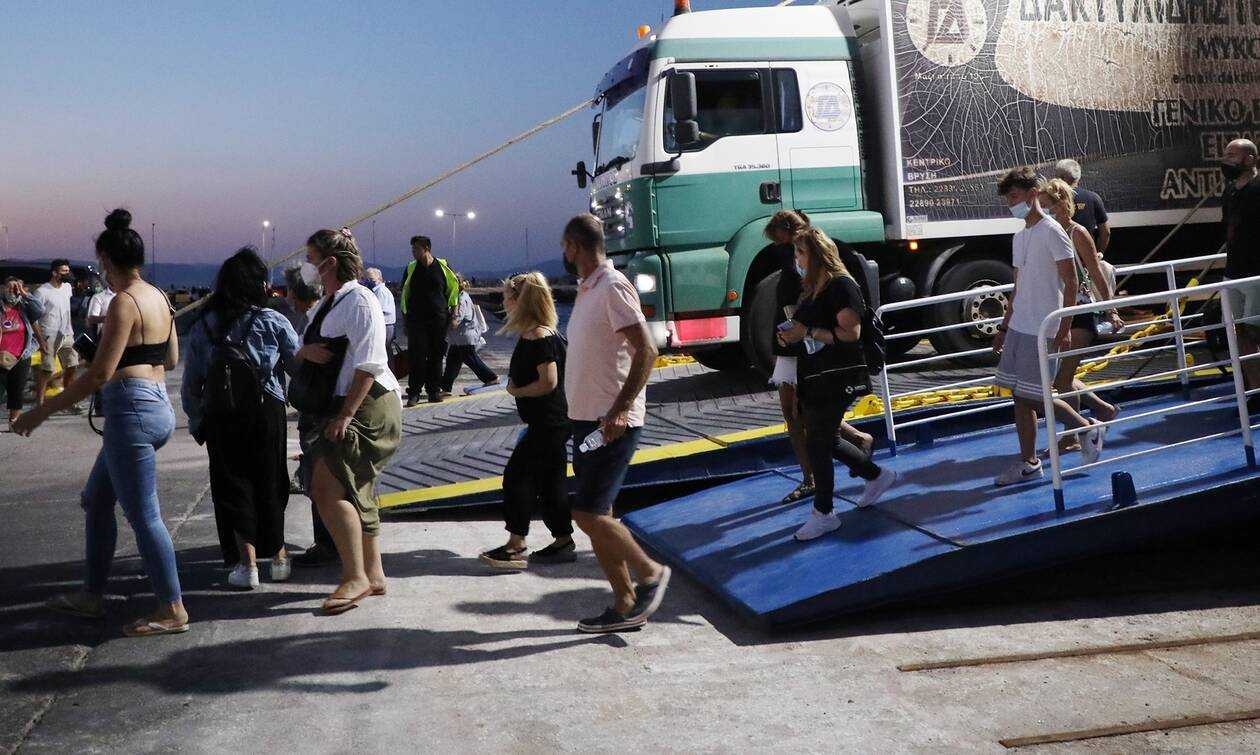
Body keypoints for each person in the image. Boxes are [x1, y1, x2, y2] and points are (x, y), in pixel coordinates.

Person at [14, 209, 188, 637]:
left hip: (130, 411)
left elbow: (98, 375)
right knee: (96, 500)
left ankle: (172, 608)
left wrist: (41, 411)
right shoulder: (159, 296)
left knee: (144, 516)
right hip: (157, 405)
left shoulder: (123, 303)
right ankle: (91, 595)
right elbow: (170, 359)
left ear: (107, 260)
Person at [563, 214, 671, 633]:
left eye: (566, 247)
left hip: (610, 421)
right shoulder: (588, 289)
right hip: (586, 420)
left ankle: (650, 573)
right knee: (600, 515)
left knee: (586, 513)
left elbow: (646, 350)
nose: (564, 254)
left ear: (574, 246)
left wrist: (621, 409)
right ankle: (625, 603)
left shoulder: (612, 286)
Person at [293, 228, 402, 614]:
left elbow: (369, 364)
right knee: (356, 492)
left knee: (325, 490)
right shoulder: (329, 302)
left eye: (310, 259)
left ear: (329, 263)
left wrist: (345, 416)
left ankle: (354, 576)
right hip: (346, 403)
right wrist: (305, 350)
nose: (306, 266)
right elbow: (303, 345)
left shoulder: (359, 301)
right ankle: (373, 574)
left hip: (366, 404)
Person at [182, 248, 299, 590]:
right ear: (257, 284)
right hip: (266, 411)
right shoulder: (272, 320)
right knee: (271, 481)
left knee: (233, 487)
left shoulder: (205, 324)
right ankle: (279, 558)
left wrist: (198, 422)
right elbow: (298, 367)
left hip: (222, 414)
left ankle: (246, 565)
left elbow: (192, 383)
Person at [777, 228, 896, 541]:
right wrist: (792, 334)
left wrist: (806, 332)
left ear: (817, 256)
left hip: (839, 374)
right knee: (824, 439)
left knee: (818, 441)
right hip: (816, 373)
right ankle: (876, 475)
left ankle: (824, 511)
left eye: (801, 253)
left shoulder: (841, 285)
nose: (797, 260)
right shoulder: (812, 288)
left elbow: (850, 334)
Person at [992, 167, 1107, 486]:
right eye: (1008, 199)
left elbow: (1071, 282)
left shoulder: (1053, 231)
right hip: (1020, 326)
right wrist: (1004, 327)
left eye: (1014, 197)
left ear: (1032, 195)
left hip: (1043, 326)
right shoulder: (1020, 236)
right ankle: (1029, 461)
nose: (1011, 204)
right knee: (1019, 395)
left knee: (1033, 395)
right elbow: (1018, 286)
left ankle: (1086, 426)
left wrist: (1064, 326)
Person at [763, 211, 874, 504]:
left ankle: (817, 487)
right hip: (799, 339)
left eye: (782, 242)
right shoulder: (804, 261)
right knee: (805, 416)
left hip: (810, 345)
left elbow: (849, 327)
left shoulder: (824, 269)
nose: (788, 252)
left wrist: (804, 330)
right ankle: (849, 464)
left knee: (806, 419)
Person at [479, 272, 575, 569]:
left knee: (517, 477)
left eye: (507, 298)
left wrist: (516, 390)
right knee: (551, 481)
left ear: (521, 301)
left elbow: (548, 382)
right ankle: (563, 540)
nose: (504, 303)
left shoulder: (538, 337)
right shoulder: (547, 333)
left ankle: (516, 545)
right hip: (555, 420)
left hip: (548, 422)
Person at [1041, 178, 1123, 442]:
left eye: (1047, 206)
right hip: (1058, 310)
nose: (1043, 211)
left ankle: (1071, 438)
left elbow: (1096, 273)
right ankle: (1104, 409)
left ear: (1062, 204)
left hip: (1080, 310)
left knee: (1063, 380)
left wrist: (1111, 310)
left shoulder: (1077, 233)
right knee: (1061, 377)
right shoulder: (1046, 233)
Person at [281, 266, 339, 568]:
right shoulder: (323, 314)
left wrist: (301, 353)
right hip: (322, 409)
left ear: (296, 292)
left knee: (319, 478)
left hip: (319, 411)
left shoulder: (317, 320)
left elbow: (307, 363)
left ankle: (327, 544)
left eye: (289, 290)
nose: (287, 296)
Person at [1220, 138, 1260, 410]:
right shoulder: (1230, 190)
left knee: (1256, 331)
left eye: (1233, 155)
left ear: (1250, 158)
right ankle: (1255, 390)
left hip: (1257, 274)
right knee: (1241, 333)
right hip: (1233, 272)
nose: (1227, 160)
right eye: (1226, 154)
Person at [400, 235, 457, 406]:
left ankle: (433, 391)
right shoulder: (411, 268)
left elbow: (453, 291)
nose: (413, 252)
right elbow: (405, 294)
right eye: (412, 249)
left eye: (416, 249)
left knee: (436, 356)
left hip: (438, 319)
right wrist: (405, 320)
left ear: (426, 249)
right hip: (416, 320)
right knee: (416, 356)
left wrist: (454, 316)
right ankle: (414, 393)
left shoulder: (443, 266)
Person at [32, 259, 81, 412]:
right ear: (54, 273)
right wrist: (40, 339)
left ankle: (69, 401)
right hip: (49, 334)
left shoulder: (67, 287)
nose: (67, 274)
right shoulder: (42, 292)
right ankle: (39, 403)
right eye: (64, 271)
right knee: (47, 370)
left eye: (68, 271)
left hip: (67, 334)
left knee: (72, 365)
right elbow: (33, 317)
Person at [442, 276, 498, 395]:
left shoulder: (460, 299)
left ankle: (491, 378)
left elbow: (456, 321)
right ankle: (446, 387)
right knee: (453, 361)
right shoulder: (461, 296)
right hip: (459, 338)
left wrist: (444, 321)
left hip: (464, 336)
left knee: (470, 359)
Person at [1, 278, 45, 425]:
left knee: (17, 389)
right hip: (1, 355)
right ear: (3, 289)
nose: (12, 291)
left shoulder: (25, 308)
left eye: (16, 288)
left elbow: (40, 310)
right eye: (10, 287)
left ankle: (14, 420)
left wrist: (25, 294)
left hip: (21, 355)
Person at [1054, 159, 1111, 256]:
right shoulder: (1093, 198)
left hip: (1060, 255)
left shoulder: (1052, 199)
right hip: (1086, 256)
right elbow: (1105, 232)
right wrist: (1098, 253)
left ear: (1062, 178)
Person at [364, 267, 396, 345]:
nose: (369, 281)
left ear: (380, 279)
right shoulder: (380, 290)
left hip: (384, 326)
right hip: (386, 325)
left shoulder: (380, 291)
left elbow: (377, 310)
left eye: (372, 279)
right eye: (367, 279)